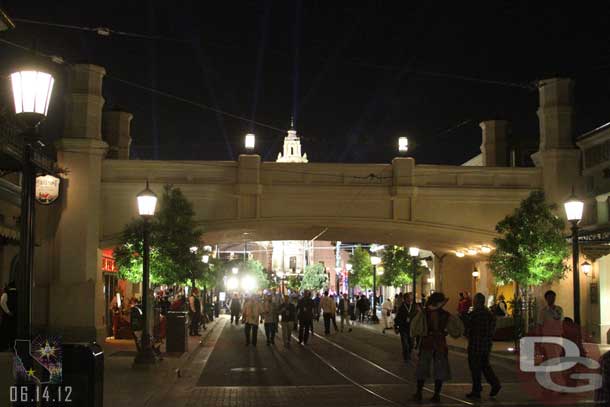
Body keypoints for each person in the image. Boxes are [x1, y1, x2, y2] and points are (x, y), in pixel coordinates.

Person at [413, 292, 452, 403]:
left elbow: (416, 328)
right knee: (439, 369)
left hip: (427, 343)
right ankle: (436, 395)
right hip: (439, 343)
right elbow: (455, 329)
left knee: (422, 368)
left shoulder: (424, 313)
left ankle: (419, 393)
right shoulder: (445, 314)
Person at [465, 293, 501, 400]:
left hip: (475, 345)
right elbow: (492, 328)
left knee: (475, 368)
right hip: (486, 345)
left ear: (476, 302)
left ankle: (477, 389)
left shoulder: (474, 314)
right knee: (485, 366)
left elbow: (468, 330)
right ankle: (494, 384)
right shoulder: (489, 314)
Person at [394, 292, 417, 362]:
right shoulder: (402, 307)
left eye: (411, 298)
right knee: (405, 344)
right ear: (405, 299)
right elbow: (397, 318)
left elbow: (417, 316)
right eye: (409, 298)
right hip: (403, 328)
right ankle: (406, 357)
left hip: (411, 328)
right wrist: (396, 326)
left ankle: (408, 354)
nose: (411, 299)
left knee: (411, 344)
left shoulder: (414, 307)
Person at [0, 282, 17, 351]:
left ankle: (5, 346)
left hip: (7, 316)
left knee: (5, 330)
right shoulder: (17, 293)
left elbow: (2, 303)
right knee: (12, 331)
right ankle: (12, 346)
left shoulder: (6, 293)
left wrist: (8, 312)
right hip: (14, 316)